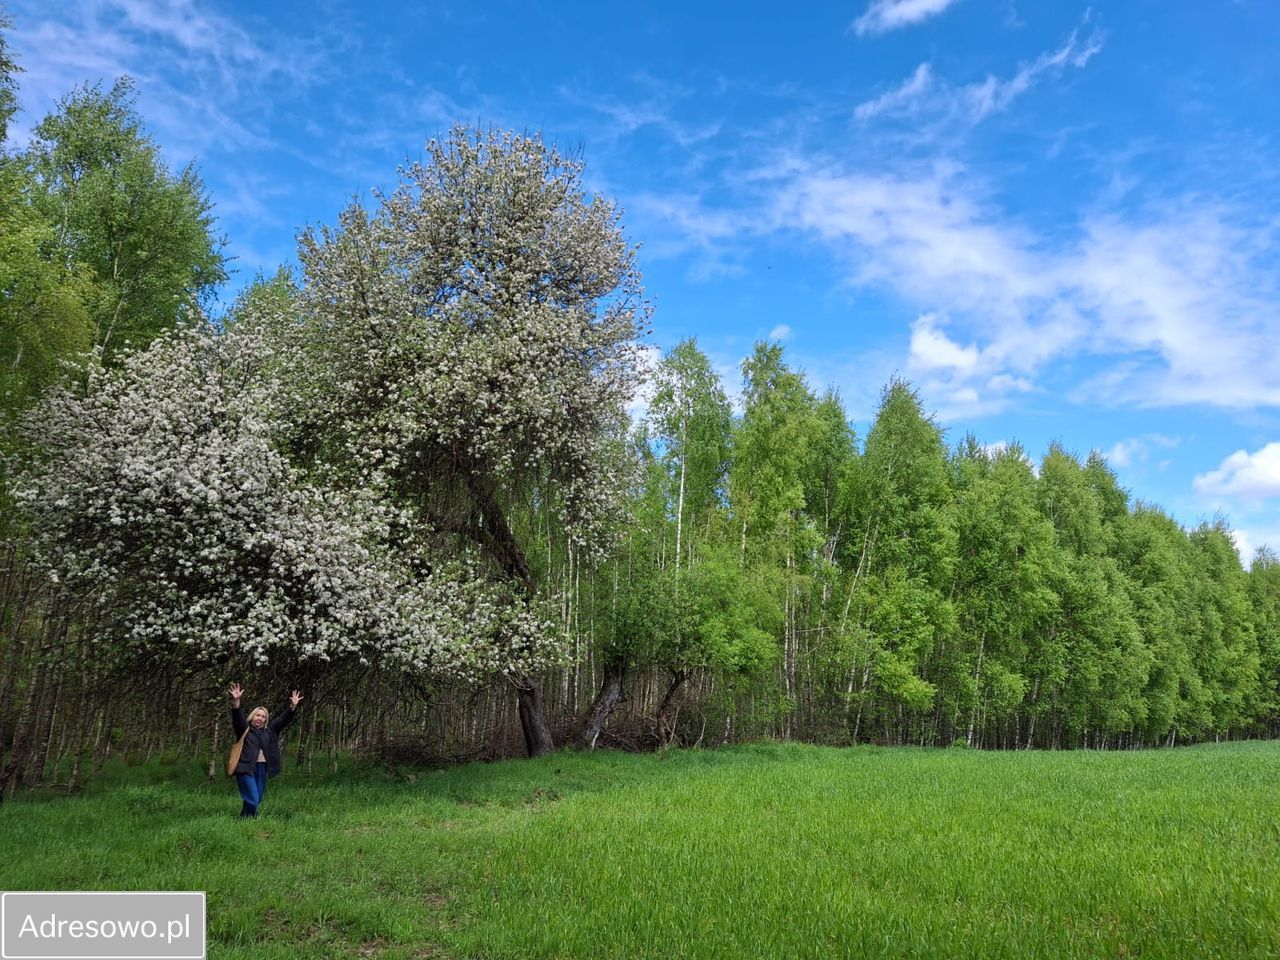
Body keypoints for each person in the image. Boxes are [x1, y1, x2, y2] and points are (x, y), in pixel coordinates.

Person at [228, 683, 303, 819]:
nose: (260, 718)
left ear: (266, 720)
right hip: (245, 767)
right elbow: (237, 718)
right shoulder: (244, 730)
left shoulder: (270, 731)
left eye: (263, 716)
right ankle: (253, 816)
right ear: (252, 717)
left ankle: (244, 819)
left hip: (262, 768)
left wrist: (293, 706)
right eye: (257, 715)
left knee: (258, 795)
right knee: (253, 797)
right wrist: (236, 701)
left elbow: (283, 720)